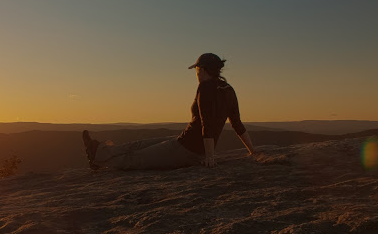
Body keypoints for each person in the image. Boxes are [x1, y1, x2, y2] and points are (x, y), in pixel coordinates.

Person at [82, 53, 255, 170]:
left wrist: (209, 156)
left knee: (136, 157)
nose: (196, 73)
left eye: (196, 69)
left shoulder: (205, 87)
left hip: (188, 149)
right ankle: (98, 149)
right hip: (186, 141)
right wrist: (252, 151)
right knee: (139, 145)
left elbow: (206, 122)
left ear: (202, 69)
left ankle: (98, 159)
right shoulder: (228, 89)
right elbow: (237, 123)